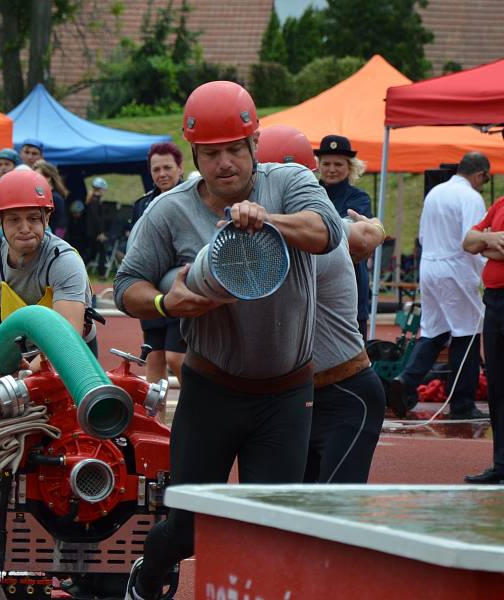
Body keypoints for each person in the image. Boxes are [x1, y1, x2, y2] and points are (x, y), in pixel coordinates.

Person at [115, 81, 343, 600]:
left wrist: (270, 221)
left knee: (269, 526)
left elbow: (327, 230)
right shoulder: (168, 211)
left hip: (286, 395)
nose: (224, 164)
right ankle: (147, 576)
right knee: (189, 527)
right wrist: (164, 304)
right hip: (211, 391)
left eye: (235, 150)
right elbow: (128, 284)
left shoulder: (289, 182)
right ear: (193, 151)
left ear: (255, 144)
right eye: (211, 153)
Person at [258, 124, 387, 483]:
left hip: (344, 392)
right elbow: (361, 234)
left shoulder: (312, 236)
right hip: (295, 398)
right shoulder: (298, 226)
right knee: (291, 516)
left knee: (332, 516)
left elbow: (352, 235)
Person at [390, 152, 490, 419]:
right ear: (480, 175)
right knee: (466, 334)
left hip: (430, 266)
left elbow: (422, 235)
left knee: (434, 330)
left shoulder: (435, 192)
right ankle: (462, 403)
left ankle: (405, 380)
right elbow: (473, 240)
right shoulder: (471, 198)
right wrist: (486, 272)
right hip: (455, 267)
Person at [0, 169, 96, 370]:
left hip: (72, 352)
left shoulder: (64, 261)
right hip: (18, 350)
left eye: (33, 218)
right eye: (14, 219)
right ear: (0, 220)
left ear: (47, 219)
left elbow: (67, 336)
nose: (25, 228)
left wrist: (27, 377)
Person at [462, 124, 504, 485]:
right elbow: (468, 241)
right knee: (500, 385)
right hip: (497, 302)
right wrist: (492, 238)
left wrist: (490, 242)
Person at [129, 143, 187, 386]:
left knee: (177, 358)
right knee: (154, 360)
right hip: (150, 291)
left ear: (180, 168)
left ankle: (201, 410)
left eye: (167, 168)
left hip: (180, 288)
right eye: (156, 169)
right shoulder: (142, 205)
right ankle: (157, 423)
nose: (162, 174)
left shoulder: (193, 200)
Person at [315, 135, 373, 339]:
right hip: (315, 286)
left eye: (338, 164)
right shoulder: (309, 194)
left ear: (350, 167)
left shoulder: (359, 198)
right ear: (318, 166)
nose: (331, 169)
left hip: (351, 284)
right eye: (326, 163)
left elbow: (348, 235)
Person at [33, 160, 68, 238]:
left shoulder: (55, 197)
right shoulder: (45, 195)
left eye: (37, 175)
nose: (34, 179)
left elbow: (61, 224)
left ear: (48, 177)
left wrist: (55, 241)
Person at [84, 177, 108, 272]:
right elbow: (96, 219)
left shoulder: (94, 200)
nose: (104, 191)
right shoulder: (94, 201)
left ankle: (79, 268)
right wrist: (100, 233)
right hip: (95, 233)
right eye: (103, 189)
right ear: (100, 189)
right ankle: (102, 273)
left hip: (93, 232)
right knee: (101, 252)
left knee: (92, 253)